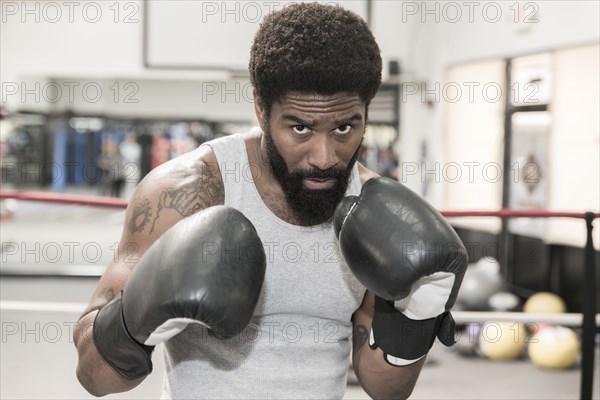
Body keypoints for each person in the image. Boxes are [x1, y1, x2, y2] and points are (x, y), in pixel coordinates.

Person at [74, 3, 467, 399]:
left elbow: (385, 389)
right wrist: (136, 318)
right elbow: (95, 378)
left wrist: (417, 318)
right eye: (300, 127)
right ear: (261, 109)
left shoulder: (373, 213)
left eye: (345, 127)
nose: (325, 157)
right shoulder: (185, 194)